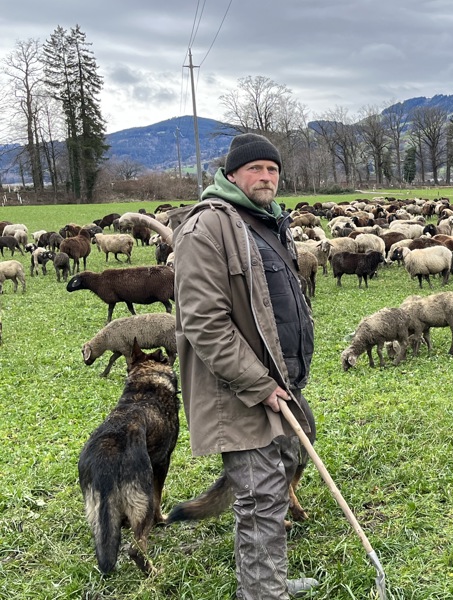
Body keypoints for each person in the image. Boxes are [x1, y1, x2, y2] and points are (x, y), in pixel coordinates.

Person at [173, 133, 318, 598]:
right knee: (259, 495)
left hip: (277, 381)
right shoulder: (206, 228)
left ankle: (264, 582)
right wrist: (259, 383)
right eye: (255, 168)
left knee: (271, 489)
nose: (266, 177)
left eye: (272, 169)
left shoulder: (266, 224)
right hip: (236, 388)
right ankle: (263, 593)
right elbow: (204, 322)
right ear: (232, 174)